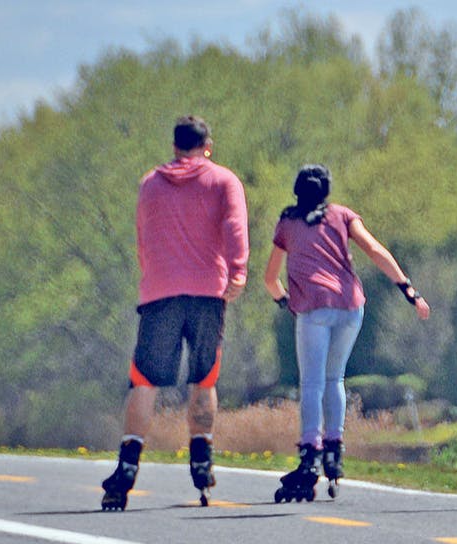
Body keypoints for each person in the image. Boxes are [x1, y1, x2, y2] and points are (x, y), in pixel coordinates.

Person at [100, 115, 249, 511]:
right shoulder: (223, 181)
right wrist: (239, 271)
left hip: (160, 293)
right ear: (208, 145)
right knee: (204, 376)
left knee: (144, 381)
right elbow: (235, 226)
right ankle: (202, 462)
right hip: (207, 293)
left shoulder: (150, 183)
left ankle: (127, 469)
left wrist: (152, 276)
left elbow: (142, 237)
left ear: (174, 146)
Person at [264, 164, 430, 500]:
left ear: (297, 191)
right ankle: (334, 452)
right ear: (326, 192)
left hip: (312, 309)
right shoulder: (342, 216)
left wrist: (285, 301)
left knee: (311, 382)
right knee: (334, 378)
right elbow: (374, 250)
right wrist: (409, 291)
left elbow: (270, 278)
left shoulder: (287, 223)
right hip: (351, 308)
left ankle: (310, 454)